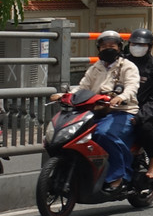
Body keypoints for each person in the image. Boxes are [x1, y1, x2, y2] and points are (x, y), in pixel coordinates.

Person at [51, 31, 139, 192]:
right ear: (98, 49)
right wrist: (65, 95)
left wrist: (122, 97)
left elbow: (132, 86)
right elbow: (82, 88)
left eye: (112, 46)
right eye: (104, 46)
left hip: (123, 111)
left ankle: (118, 176)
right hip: (97, 111)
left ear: (119, 47)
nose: (108, 49)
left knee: (104, 134)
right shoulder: (95, 68)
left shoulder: (127, 66)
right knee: (79, 136)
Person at [125, 29, 153, 181]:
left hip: (148, 108)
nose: (136, 47)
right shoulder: (123, 63)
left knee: (143, 128)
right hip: (123, 106)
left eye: (141, 44)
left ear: (149, 47)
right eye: (134, 43)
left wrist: (141, 116)